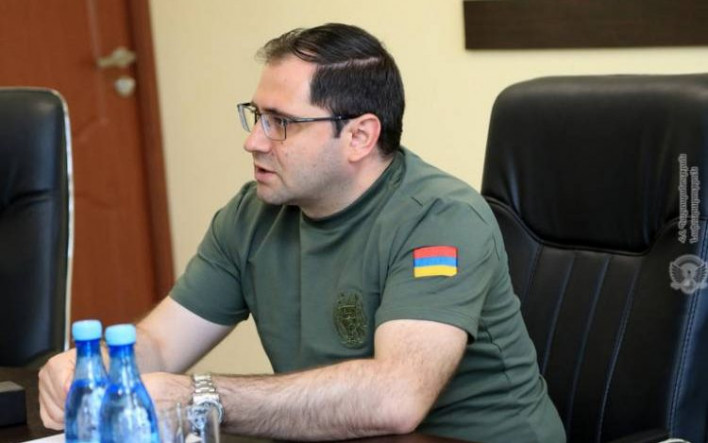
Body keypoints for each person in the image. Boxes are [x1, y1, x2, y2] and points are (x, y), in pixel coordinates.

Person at [39, 23, 566, 443]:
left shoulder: (440, 217)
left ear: (359, 136)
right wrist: (95, 369)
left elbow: (395, 398)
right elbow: (159, 344)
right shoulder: (252, 214)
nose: (254, 142)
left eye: (281, 123)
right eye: (256, 116)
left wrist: (202, 396)